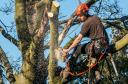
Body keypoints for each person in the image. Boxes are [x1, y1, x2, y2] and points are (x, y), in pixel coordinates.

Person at [62, 2, 109, 83]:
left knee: (78, 47)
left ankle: (68, 69)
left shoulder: (86, 24)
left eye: (80, 16)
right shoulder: (95, 18)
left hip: (97, 46)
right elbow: (97, 32)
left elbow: (79, 38)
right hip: (105, 45)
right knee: (93, 59)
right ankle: (98, 77)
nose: (80, 18)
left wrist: (68, 50)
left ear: (85, 12)